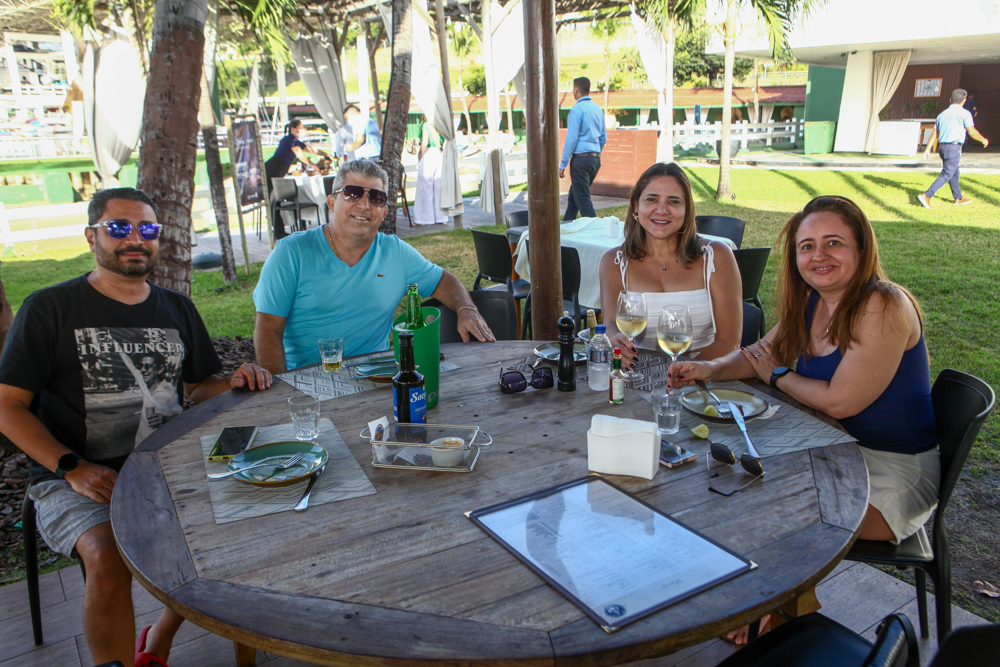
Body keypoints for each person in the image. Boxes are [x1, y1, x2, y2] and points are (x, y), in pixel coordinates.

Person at [0, 188, 273, 667]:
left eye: (147, 230)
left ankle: (164, 636)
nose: (134, 239)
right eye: (118, 228)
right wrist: (70, 467)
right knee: (107, 555)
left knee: (256, 513)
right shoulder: (49, 309)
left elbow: (197, 386)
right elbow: (7, 406)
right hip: (80, 477)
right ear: (92, 236)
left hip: (168, 464)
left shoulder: (176, 308)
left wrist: (235, 379)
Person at [670, 195, 940, 643]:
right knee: (729, 478)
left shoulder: (883, 304)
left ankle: (779, 614)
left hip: (892, 471)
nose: (819, 256)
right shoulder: (813, 301)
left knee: (783, 512)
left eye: (834, 243)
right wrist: (711, 369)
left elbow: (838, 402)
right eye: (807, 246)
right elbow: (761, 353)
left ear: (861, 249)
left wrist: (776, 376)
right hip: (832, 448)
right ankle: (762, 599)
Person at [253, 160, 495, 373]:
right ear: (331, 202)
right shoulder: (291, 253)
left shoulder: (395, 251)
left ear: (384, 211)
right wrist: (279, 391)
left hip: (375, 375)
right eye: (352, 193)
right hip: (308, 378)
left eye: (376, 197)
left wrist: (466, 308)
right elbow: (268, 330)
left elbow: (442, 280)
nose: (364, 205)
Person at [598, 162, 742, 370]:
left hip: (706, 377)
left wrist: (685, 374)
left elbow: (730, 342)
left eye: (673, 201)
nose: (662, 210)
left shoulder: (716, 256)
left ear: (686, 210)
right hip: (638, 374)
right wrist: (613, 339)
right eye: (652, 199)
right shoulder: (614, 262)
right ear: (636, 206)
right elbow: (611, 324)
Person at [918, 88, 989, 208]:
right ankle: (927, 195)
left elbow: (935, 133)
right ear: (964, 101)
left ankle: (958, 198)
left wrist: (927, 149)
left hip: (942, 148)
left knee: (954, 172)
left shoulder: (942, 114)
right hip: (954, 148)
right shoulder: (965, 114)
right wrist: (983, 139)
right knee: (947, 173)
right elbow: (971, 131)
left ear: (950, 100)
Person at [265, 120, 332, 239]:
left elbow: (310, 150)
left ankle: (278, 231)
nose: (302, 130)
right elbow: (300, 155)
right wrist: (314, 166)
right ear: (293, 129)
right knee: (274, 201)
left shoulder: (295, 141)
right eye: (300, 128)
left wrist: (326, 154)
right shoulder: (290, 139)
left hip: (278, 169)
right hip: (273, 168)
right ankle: (278, 231)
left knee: (275, 200)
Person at [559, 77, 606, 221]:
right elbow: (603, 138)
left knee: (583, 199)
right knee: (575, 197)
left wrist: (563, 164)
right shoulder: (598, 109)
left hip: (580, 160)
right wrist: (594, 154)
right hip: (595, 160)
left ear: (576, 89)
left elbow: (571, 139)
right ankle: (565, 227)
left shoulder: (576, 110)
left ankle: (597, 231)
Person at [414, 116, 447, 226]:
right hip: (438, 153)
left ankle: (424, 219)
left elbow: (424, 142)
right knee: (438, 187)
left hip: (428, 153)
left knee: (425, 187)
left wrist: (420, 154)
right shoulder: (439, 124)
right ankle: (441, 217)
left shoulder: (426, 125)